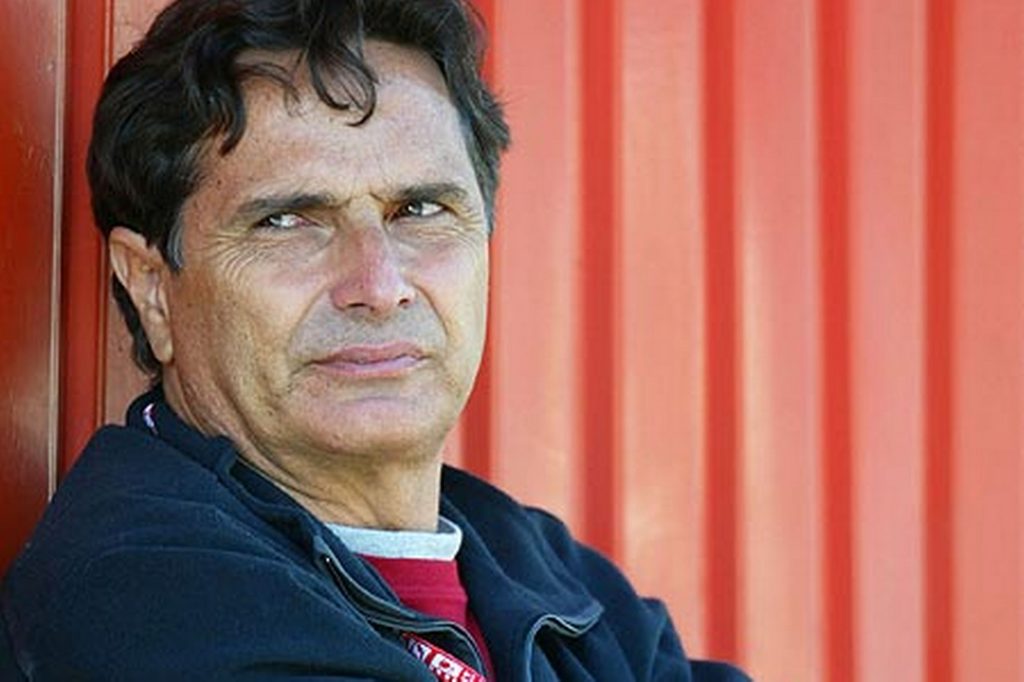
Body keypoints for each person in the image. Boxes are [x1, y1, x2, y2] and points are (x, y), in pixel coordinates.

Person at [0, 1, 749, 680]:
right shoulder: (142, 601)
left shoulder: (542, 572)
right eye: (287, 221)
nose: (379, 284)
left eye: (420, 209)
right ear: (151, 287)